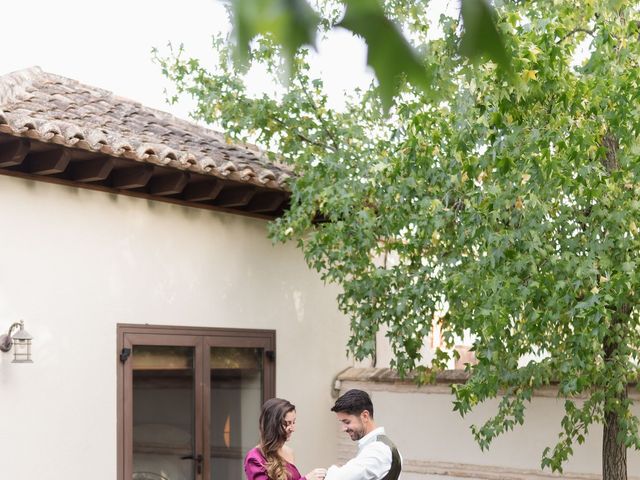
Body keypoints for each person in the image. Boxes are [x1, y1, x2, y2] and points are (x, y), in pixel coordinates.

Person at [324, 389, 401, 480]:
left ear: (365, 416)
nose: (343, 429)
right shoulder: (381, 446)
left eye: (347, 422)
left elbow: (337, 478)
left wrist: (328, 471)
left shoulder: (378, 450)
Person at [244, 397, 327, 480]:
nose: (292, 429)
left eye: (293, 422)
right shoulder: (254, 458)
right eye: (287, 424)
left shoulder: (289, 452)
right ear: (273, 426)